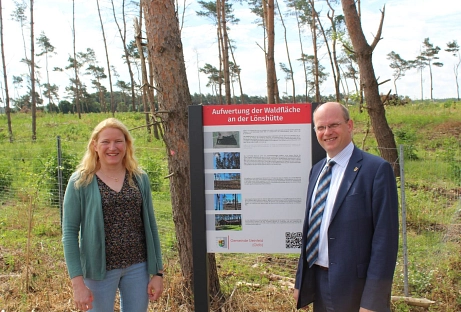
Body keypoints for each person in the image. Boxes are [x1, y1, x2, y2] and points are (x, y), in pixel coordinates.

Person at [294, 102, 399, 311]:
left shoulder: (376, 170)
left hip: (355, 289)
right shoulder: (316, 171)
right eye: (321, 127)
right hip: (318, 283)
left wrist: (373, 301)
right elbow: (311, 229)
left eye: (334, 125)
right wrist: (300, 281)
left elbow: (385, 242)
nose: (327, 132)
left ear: (349, 125)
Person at [62, 118, 164, 312]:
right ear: (94, 145)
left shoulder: (139, 178)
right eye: (105, 142)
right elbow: (69, 233)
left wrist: (158, 274)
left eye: (118, 141)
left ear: (126, 144)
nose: (112, 147)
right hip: (98, 272)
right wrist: (78, 283)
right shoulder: (81, 181)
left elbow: (151, 226)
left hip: (137, 267)